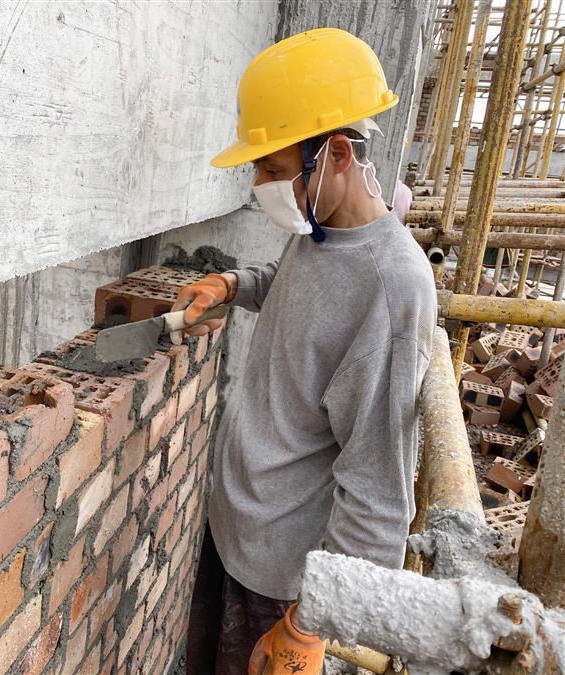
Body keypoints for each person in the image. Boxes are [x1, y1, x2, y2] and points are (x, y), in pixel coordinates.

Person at [174, 28, 437, 675]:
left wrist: (310, 624)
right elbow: (298, 296)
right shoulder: (319, 227)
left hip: (282, 584)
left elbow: (379, 490)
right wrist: (234, 284)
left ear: (338, 154)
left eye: (271, 168)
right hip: (235, 533)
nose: (259, 182)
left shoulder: (391, 286)